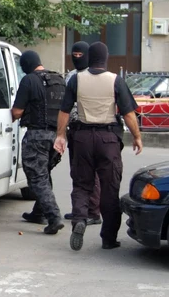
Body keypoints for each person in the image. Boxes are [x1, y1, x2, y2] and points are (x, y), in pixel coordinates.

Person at [54, 42, 143, 251]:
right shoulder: (115, 80)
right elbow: (129, 113)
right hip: (108, 139)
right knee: (109, 189)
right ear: (106, 57)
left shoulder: (77, 79)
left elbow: (65, 110)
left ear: (88, 57)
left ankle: (80, 221)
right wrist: (137, 137)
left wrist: (60, 135)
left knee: (82, 184)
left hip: (82, 138)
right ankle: (108, 238)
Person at [11, 51, 65, 235]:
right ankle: (38, 212)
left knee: (37, 178)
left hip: (37, 136)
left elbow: (17, 112)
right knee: (44, 173)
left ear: (26, 64)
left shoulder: (29, 80)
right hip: (57, 137)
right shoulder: (58, 80)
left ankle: (54, 217)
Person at [63, 42, 101, 226]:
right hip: (75, 130)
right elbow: (65, 106)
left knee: (90, 173)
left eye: (81, 55)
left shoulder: (95, 76)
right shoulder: (71, 76)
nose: (77, 58)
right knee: (77, 172)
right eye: (74, 54)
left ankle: (93, 212)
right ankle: (80, 210)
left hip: (92, 129)